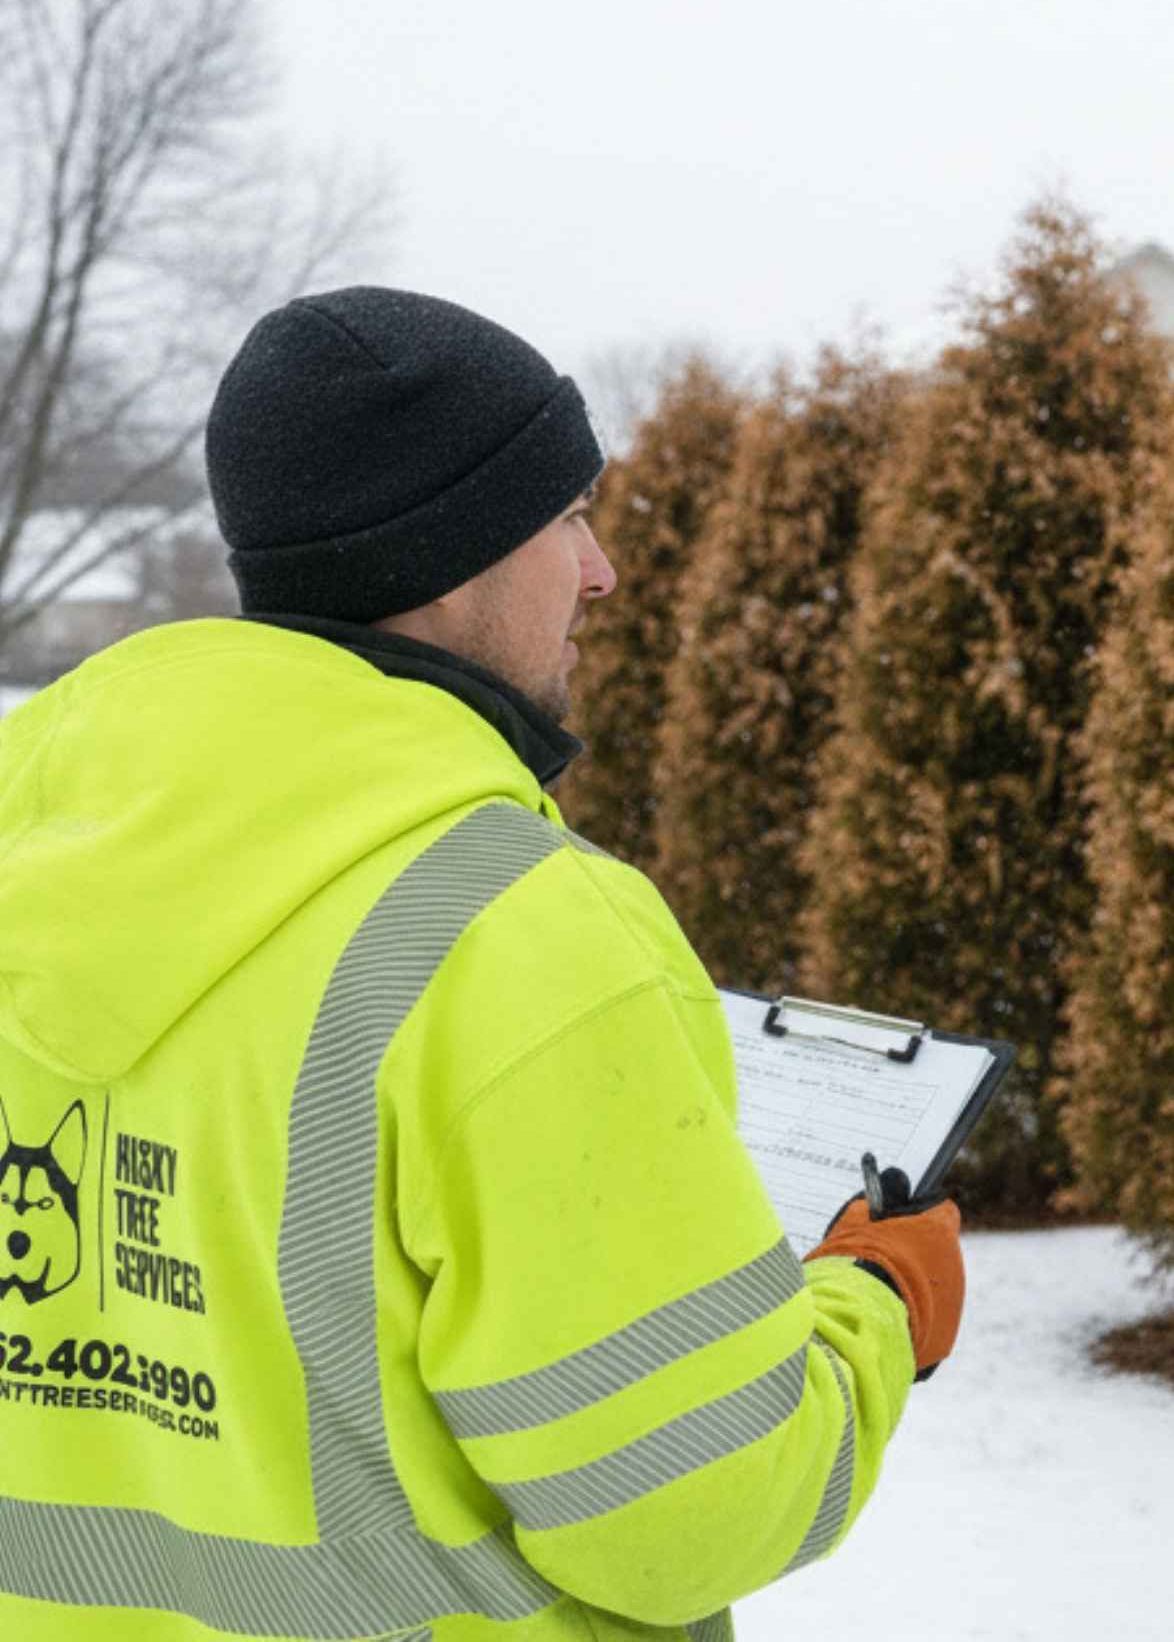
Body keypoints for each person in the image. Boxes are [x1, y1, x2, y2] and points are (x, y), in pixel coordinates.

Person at [0, 286, 964, 1642]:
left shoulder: (31, 860)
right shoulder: (521, 942)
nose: (602, 569)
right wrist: (874, 1307)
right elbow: (693, 1510)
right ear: (447, 556)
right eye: (566, 517)